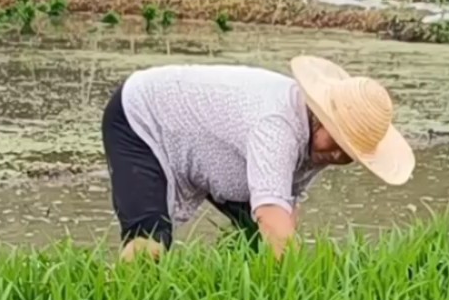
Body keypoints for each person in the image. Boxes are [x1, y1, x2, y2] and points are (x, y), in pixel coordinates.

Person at [100, 55, 414, 261]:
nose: (336, 154)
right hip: (144, 116)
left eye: (349, 153)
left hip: (208, 141)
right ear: (321, 117)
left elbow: (285, 205)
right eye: (337, 141)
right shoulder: (277, 124)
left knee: (257, 242)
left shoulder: (319, 145)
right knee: (151, 239)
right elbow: (271, 212)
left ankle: (246, 295)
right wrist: (295, 286)